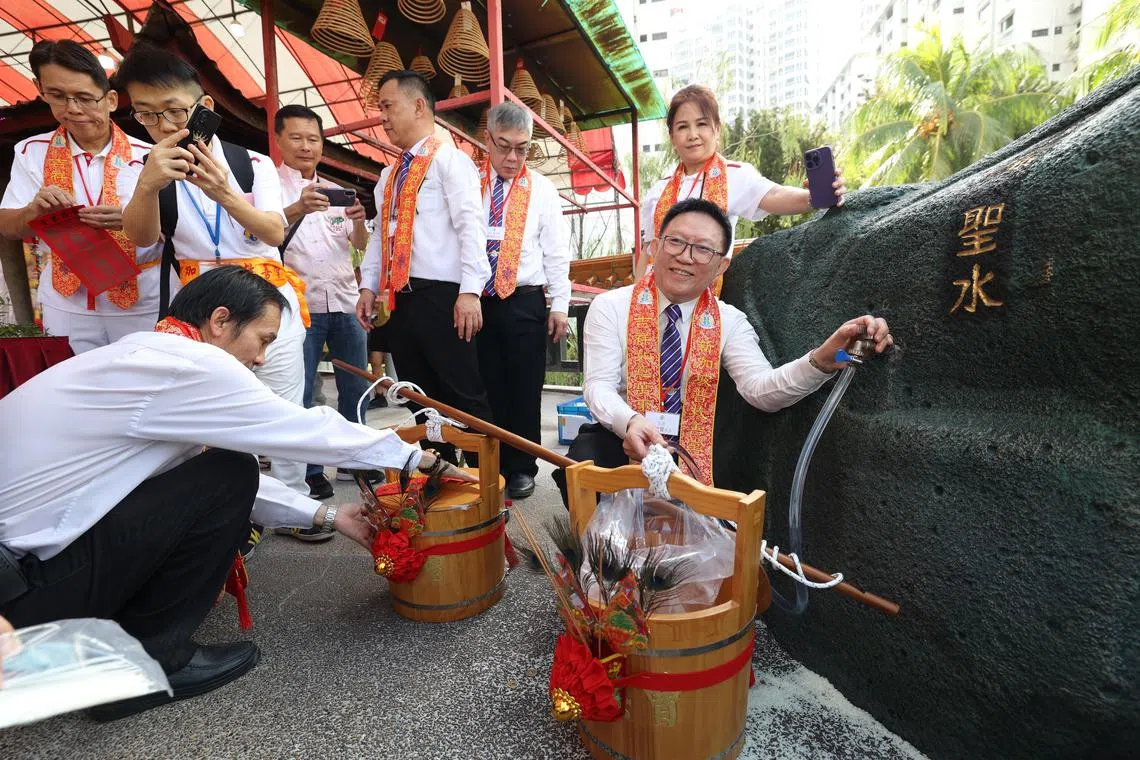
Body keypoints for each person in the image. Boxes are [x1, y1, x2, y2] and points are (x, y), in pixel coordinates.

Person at [0, 266, 468, 720]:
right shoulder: (187, 364)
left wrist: (327, 517)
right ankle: (149, 665)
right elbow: (293, 428)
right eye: (263, 339)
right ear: (220, 320)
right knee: (231, 470)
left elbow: (190, 480)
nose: (262, 358)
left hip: (21, 582)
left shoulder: (140, 358)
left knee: (222, 472)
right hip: (22, 597)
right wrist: (416, 456)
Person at [553, 198, 893, 504]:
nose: (685, 256)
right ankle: (602, 563)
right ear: (655, 247)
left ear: (721, 267)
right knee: (586, 459)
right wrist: (628, 422)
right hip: (625, 433)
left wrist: (827, 357)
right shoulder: (611, 307)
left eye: (703, 249)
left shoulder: (729, 321)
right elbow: (598, 386)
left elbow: (761, 390)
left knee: (736, 476)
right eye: (676, 242)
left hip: (695, 443)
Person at [115, 47, 305, 554]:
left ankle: (297, 504)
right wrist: (149, 185)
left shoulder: (251, 162)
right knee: (215, 417)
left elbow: (273, 229)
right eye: (146, 113)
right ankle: (235, 511)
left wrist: (225, 192)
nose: (161, 123)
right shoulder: (142, 165)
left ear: (202, 105)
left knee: (281, 406)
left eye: (175, 110)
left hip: (266, 302)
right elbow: (141, 237)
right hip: (203, 312)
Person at [356, 70, 494, 465]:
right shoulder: (389, 176)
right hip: (401, 300)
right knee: (419, 397)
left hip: (443, 297)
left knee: (464, 395)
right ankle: (442, 475)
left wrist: (470, 291)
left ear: (418, 106)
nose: (381, 117)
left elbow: (472, 227)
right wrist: (368, 286)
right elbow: (381, 235)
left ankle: (487, 485)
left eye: (388, 106)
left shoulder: (451, 162)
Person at [0, 40, 158, 353]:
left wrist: (132, 220)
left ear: (111, 99)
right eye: (57, 96)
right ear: (40, 90)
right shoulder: (32, 152)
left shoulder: (150, 157)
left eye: (85, 98)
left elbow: (179, 231)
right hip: (67, 302)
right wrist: (34, 212)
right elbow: (8, 225)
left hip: (141, 301)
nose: (72, 108)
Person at [274, 104, 372, 506]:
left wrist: (360, 220)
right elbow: (263, 236)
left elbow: (359, 247)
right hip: (300, 307)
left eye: (313, 139)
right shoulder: (271, 189)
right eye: (296, 137)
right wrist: (297, 207)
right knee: (304, 393)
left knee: (357, 389)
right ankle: (311, 471)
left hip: (345, 304)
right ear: (279, 140)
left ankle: (355, 458)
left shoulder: (334, 191)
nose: (305, 146)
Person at [475, 102, 571, 499]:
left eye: (523, 148)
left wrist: (560, 303)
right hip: (477, 300)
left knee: (525, 387)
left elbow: (556, 251)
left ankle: (523, 466)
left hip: (524, 299)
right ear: (487, 141)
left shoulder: (543, 191)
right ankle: (490, 465)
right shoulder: (469, 183)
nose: (513, 157)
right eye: (504, 146)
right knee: (486, 385)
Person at [640, 84, 848, 263]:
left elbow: (774, 195)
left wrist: (814, 197)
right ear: (672, 137)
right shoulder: (659, 190)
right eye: (683, 127)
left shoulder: (733, 176)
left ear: (717, 129)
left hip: (697, 298)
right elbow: (648, 252)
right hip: (649, 297)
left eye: (702, 124)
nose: (693, 135)